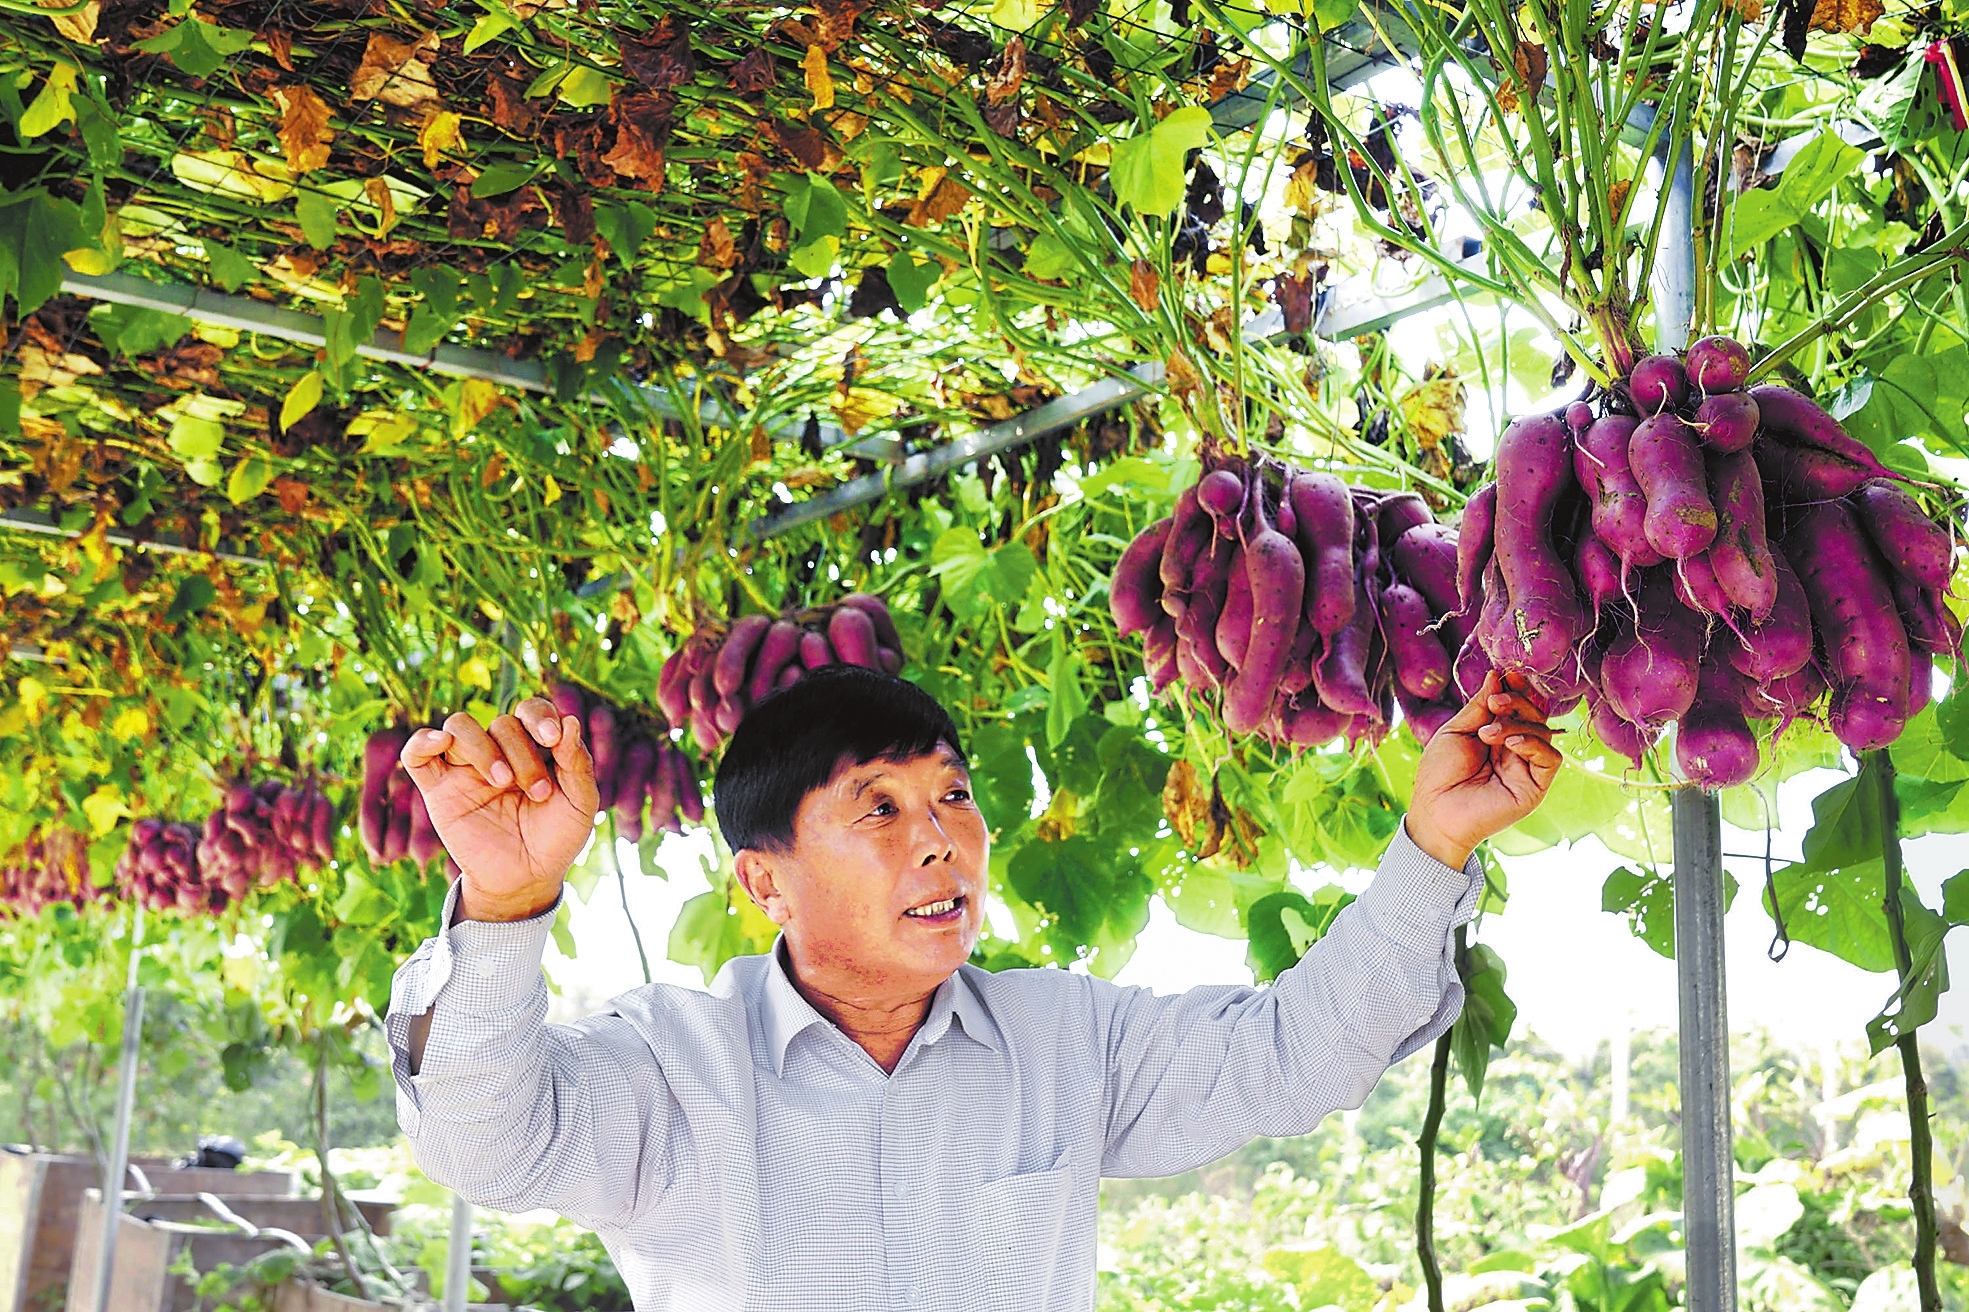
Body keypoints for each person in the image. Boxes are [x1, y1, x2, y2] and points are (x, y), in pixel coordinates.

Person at [386, 663, 1560, 1312]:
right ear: (764, 879)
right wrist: (501, 908)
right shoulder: (670, 1065)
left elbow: (1294, 1054)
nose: (941, 839)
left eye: (952, 795)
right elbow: (484, 1149)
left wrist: (1430, 846)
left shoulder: (1067, 1038)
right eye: (879, 810)